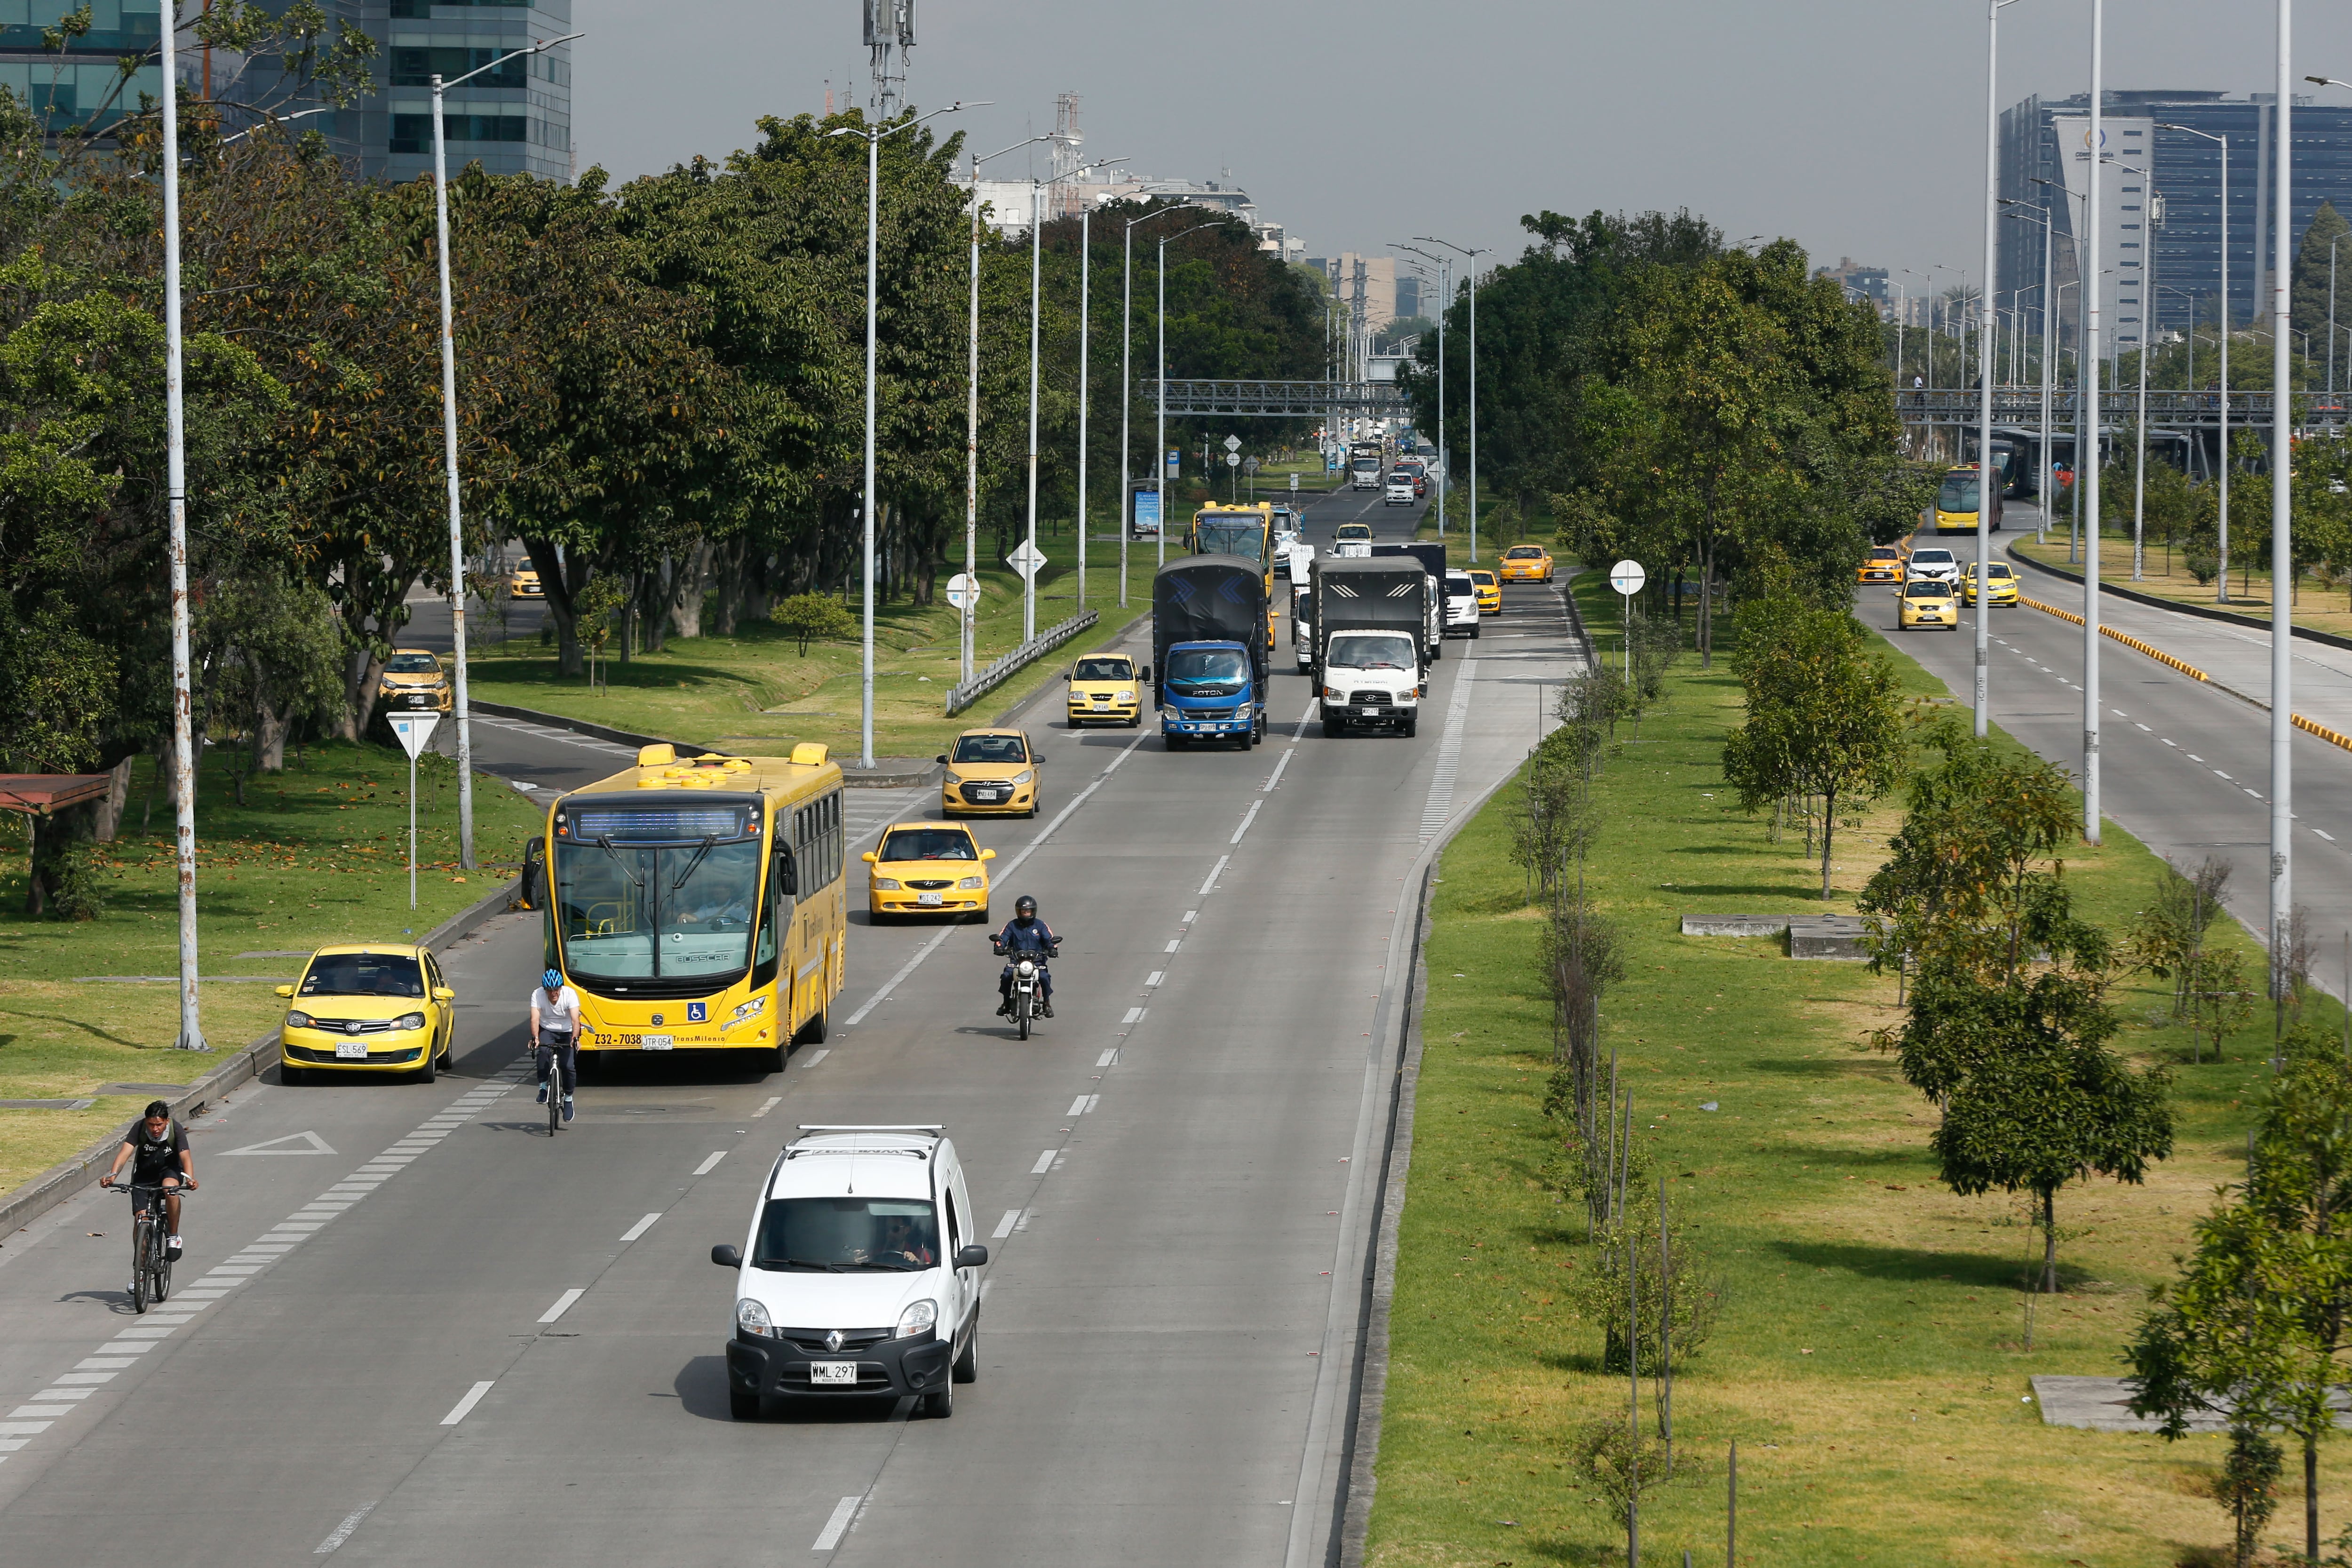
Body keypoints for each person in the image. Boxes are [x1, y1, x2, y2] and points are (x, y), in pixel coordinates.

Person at [102, 1099, 195, 1274]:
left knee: (170, 1190)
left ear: (166, 1121)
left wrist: (190, 1179)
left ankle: (173, 1236)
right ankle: (140, 1270)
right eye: (151, 1124)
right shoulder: (139, 1128)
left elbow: (185, 1157)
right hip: (144, 1175)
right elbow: (125, 1153)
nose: (155, 1129)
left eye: (159, 1124)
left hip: (170, 1172)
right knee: (141, 1219)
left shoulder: (176, 1130)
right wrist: (112, 1175)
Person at [992, 894, 1058, 1019]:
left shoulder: (1040, 925)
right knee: (1006, 976)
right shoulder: (1012, 925)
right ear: (1019, 912)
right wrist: (999, 947)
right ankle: (1006, 1002)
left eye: (1028, 911)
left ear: (1033, 911)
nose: (1026, 913)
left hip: (1037, 962)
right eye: (1023, 911)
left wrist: (1052, 949)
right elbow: (1002, 938)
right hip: (1017, 961)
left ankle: (1047, 1003)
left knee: (1044, 978)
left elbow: (1050, 939)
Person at [531, 968, 583, 1123]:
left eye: (556, 990)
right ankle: (543, 1087)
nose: (553, 994)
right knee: (542, 1051)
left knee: (568, 1066)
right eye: (549, 991)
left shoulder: (570, 994)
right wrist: (535, 1038)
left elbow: (575, 1020)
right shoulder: (537, 994)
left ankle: (568, 1098)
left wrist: (575, 1038)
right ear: (544, 990)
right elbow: (534, 1019)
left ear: (561, 988)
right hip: (547, 1028)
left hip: (567, 1031)